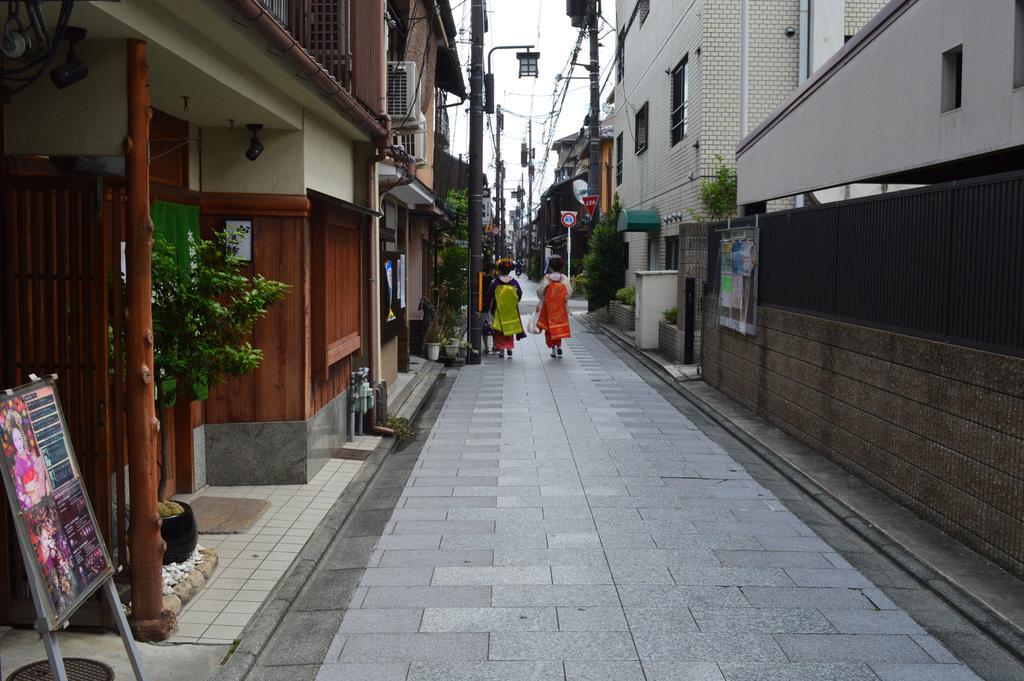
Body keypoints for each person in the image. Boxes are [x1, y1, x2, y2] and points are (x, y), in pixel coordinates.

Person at [485, 259, 525, 358]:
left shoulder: (495, 282)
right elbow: (519, 294)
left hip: (498, 309)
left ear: (500, 270)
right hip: (511, 310)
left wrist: (489, 306)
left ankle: (502, 350)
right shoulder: (514, 282)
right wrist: (513, 302)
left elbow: (489, 295)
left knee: (499, 331)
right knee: (509, 329)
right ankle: (509, 348)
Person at [536, 255, 573, 358]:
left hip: (548, 308)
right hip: (560, 308)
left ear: (550, 267)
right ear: (561, 267)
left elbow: (539, 292)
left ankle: (553, 350)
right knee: (558, 328)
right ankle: (559, 346)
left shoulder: (547, 278)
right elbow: (569, 293)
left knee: (549, 329)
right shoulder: (564, 278)